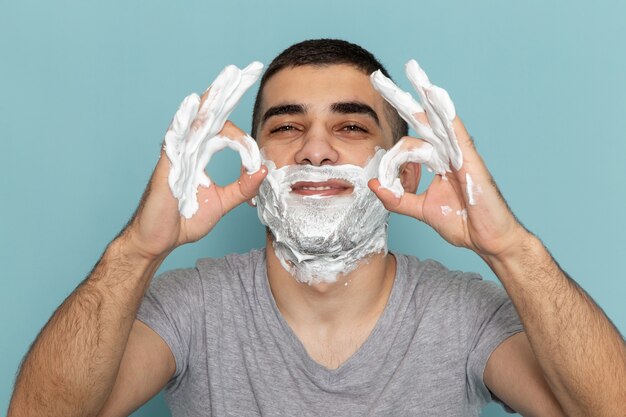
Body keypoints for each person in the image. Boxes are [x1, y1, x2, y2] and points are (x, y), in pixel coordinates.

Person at [7, 39, 626, 417]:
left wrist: (511, 249)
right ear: (249, 165)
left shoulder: (465, 316)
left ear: (405, 169)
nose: (316, 150)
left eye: (352, 127)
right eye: (285, 127)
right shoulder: (192, 307)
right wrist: (137, 250)